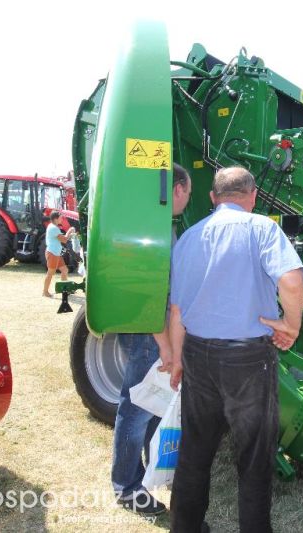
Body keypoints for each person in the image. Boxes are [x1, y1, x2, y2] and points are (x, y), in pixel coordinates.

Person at [168, 166, 303, 533]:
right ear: (253, 196)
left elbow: (177, 310)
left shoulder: (188, 238)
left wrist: (178, 360)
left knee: (195, 452)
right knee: (254, 458)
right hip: (248, 361)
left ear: (213, 198)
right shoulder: (262, 228)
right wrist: (291, 326)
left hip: (198, 355)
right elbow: (291, 282)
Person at [112, 164, 192, 516]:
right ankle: (126, 488)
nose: (188, 200)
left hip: (153, 329)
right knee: (137, 410)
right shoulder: (153, 228)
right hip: (149, 331)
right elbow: (145, 291)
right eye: (188, 192)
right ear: (176, 189)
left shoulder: (156, 224)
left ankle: (145, 475)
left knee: (152, 406)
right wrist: (163, 342)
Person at [42, 210, 75, 297]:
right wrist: (70, 231)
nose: (62, 219)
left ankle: (64, 290)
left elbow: (63, 238)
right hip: (52, 253)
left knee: (65, 270)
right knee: (50, 273)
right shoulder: (54, 228)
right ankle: (45, 292)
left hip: (55, 253)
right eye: (60, 217)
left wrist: (69, 234)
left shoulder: (53, 226)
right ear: (56, 219)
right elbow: (64, 240)